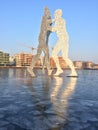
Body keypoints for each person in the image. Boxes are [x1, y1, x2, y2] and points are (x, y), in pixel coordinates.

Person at [51, 9, 78, 76]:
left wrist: (47, 27)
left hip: (62, 39)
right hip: (65, 39)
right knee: (65, 57)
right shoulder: (61, 20)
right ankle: (74, 72)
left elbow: (54, 29)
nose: (54, 15)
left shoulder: (59, 20)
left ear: (58, 14)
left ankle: (59, 69)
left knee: (54, 54)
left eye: (55, 14)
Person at [27, 7, 52, 77]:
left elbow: (49, 28)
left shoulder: (47, 20)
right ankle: (31, 68)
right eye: (47, 11)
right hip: (41, 39)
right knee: (43, 53)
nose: (49, 13)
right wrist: (56, 19)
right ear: (45, 12)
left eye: (49, 11)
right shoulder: (44, 18)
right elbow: (48, 23)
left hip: (42, 39)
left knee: (43, 54)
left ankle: (31, 68)